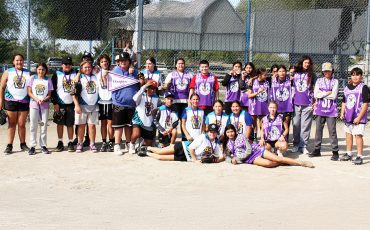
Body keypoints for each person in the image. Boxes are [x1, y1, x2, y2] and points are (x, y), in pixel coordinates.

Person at [223, 124, 314, 168]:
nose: (230, 134)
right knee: (269, 164)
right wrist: (231, 160)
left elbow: (249, 150)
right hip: (250, 159)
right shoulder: (227, 144)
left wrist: (238, 158)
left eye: (232, 131)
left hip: (255, 151)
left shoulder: (241, 136)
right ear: (225, 133)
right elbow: (225, 155)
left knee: (278, 159)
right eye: (228, 132)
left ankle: (301, 163)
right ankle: (287, 162)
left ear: (235, 131)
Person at [139, 123, 224, 163]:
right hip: (183, 147)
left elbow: (221, 157)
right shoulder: (203, 137)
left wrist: (215, 160)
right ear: (207, 131)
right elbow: (191, 148)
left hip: (186, 158)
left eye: (214, 132)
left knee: (161, 158)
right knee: (161, 151)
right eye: (210, 131)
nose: (212, 134)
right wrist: (195, 160)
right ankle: (147, 148)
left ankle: (145, 153)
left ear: (217, 133)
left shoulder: (216, 144)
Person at [0, 54, 31, 154]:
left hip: (24, 100)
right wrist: (1, 101)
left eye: (21, 60)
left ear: (23, 61)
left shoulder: (28, 72)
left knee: (22, 124)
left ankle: (23, 144)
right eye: (17, 60)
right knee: (12, 123)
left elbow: (31, 88)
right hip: (10, 101)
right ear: (13, 62)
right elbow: (2, 87)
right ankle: (9, 145)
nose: (19, 62)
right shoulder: (8, 72)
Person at [309, 62, 339, 160]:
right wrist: (327, 92)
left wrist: (322, 93)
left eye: (329, 71)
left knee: (332, 131)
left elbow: (334, 96)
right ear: (322, 71)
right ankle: (317, 150)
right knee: (318, 130)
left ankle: (335, 152)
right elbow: (316, 95)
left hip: (331, 110)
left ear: (332, 71)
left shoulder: (335, 81)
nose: (327, 72)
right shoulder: (319, 81)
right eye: (325, 71)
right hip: (320, 109)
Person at [110, 52, 139, 155]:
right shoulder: (115, 71)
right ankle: (117, 145)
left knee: (128, 125)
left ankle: (128, 143)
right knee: (118, 126)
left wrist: (132, 73)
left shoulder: (135, 71)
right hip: (118, 103)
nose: (123, 62)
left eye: (125, 60)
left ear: (129, 61)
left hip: (131, 103)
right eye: (121, 61)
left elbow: (142, 81)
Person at [340, 67, 369, 165]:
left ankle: (359, 156)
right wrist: (342, 112)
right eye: (353, 75)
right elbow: (344, 101)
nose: (355, 77)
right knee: (348, 134)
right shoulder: (347, 87)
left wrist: (359, 117)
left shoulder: (363, 87)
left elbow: (365, 104)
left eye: (357, 75)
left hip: (358, 116)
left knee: (358, 135)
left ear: (361, 76)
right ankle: (349, 153)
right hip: (348, 115)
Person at [51, 56, 77, 152]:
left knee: (70, 124)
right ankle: (60, 142)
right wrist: (55, 103)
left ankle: (70, 142)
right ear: (62, 65)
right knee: (60, 124)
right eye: (66, 64)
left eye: (69, 64)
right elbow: (52, 90)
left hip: (71, 103)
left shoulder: (75, 73)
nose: (68, 66)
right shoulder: (57, 74)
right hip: (60, 103)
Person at [72, 61, 99, 153]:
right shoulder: (79, 78)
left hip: (94, 105)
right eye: (85, 67)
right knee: (81, 126)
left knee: (92, 126)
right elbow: (73, 93)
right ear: (82, 69)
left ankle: (92, 143)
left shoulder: (95, 76)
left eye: (89, 67)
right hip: (82, 105)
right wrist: (76, 105)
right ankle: (80, 143)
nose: (87, 69)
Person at [27, 63, 53, 155]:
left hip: (44, 105)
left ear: (45, 70)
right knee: (33, 126)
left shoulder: (48, 80)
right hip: (34, 105)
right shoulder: (32, 78)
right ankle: (32, 146)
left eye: (43, 69)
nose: (41, 71)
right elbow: (29, 92)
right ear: (36, 70)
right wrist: (37, 99)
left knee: (43, 125)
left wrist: (43, 100)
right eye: (39, 69)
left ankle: (43, 145)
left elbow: (49, 94)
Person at [292, 56, 316, 154]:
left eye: (308, 63)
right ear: (301, 63)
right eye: (305, 62)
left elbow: (317, 88)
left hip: (307, 103)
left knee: (305, 126)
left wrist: (315, 101)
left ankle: (303, 145)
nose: (307, 64)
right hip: (296, 103)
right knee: (296, 125)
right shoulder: (295, 73)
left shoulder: (312, 75)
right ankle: (296, 144)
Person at [129, 80, 161, 153]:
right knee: (136, 134)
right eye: (151, 88)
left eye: (154, 88)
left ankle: (140, 143)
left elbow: (161, 106)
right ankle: (132, 144)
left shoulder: (156, 98)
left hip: (149, 121)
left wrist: (158, 109)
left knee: (148, 144)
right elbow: (134, 98)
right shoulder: (141, 95)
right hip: (138, 119)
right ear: (147, 88)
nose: (153, 90)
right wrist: (144, 86)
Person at [96, 54, 114, 152]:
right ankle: (104, 142)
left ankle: (111, 142)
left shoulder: (113, 73)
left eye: (106, 61)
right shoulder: (97, 73)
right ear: (99, 63)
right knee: (103, 123)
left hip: (111, 102)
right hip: (101, 102)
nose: (104, 63)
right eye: (102, 61)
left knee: (110, 124)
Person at [248, 67, 270, 140]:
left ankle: (262, 138)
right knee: (253, 123)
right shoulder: (252, 82)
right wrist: (258, 92)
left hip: (264, 105)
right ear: (259, 75)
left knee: (263, 122)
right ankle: (254, 138)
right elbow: (249, 95)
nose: (266, 76)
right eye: (264, 75)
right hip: (254, 105)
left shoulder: (267, 82)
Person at [270, 65, 294, 133]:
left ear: (286, 72)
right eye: (280, 71)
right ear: (277, 72)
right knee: (277, 125)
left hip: (287, 107)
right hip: (277, 107)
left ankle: (285, 140)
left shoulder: (290, 80)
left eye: (283, 71)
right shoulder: (272, 80)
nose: (281, 73)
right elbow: (261, 75)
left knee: (286, 125)